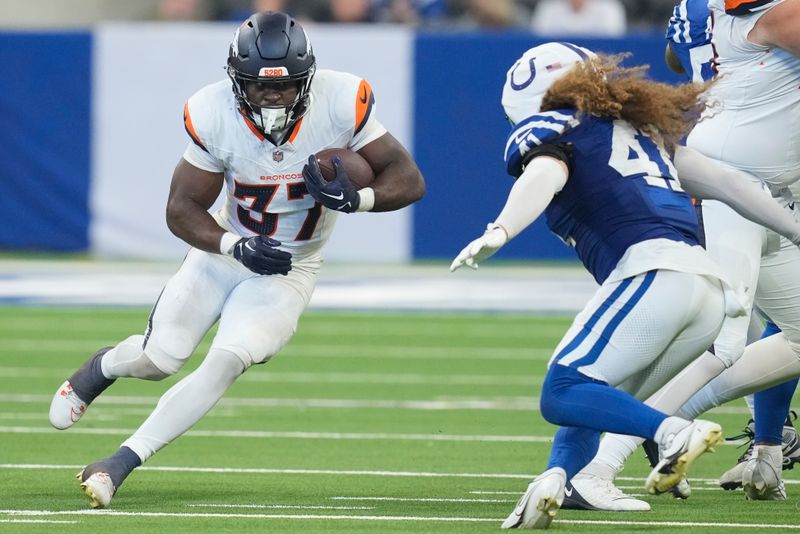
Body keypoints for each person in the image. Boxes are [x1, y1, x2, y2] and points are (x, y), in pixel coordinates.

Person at [48, 10, 425, 509]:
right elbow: (180, 208)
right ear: (236, 80)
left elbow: (408, 178)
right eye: (259, 86)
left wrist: (361, 199)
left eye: (286, 87)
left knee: (226, 360)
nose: (273, 97)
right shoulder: (214, 113)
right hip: (226, 250)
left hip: (292, 267)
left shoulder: (341, 102)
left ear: (308, 80)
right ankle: (101, 369)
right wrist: (232, 245)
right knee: (158, 359)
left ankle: (120, 462)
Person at [450, 40, 800, 529]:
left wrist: (500, 229)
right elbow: (734, 186)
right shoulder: (644, 132)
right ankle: (560, 478)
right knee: (596, 398)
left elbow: (546, 172)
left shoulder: (556, 127)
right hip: (706, 293)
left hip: (655, 272)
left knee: (561, 390)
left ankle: (673, 432)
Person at [557, 0, 800, 508]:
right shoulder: (778, 16)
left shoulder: (702, 9)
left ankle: (680, 421)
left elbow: (675, 55)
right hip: (732, 188)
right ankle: (601, 468)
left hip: (761, 184)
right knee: (724, 340)